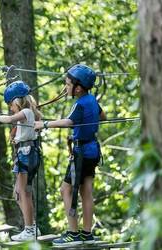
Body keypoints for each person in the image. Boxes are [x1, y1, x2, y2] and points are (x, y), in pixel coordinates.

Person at [34, 64, 106, 246]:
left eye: (67, 85)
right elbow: (103, 116)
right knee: (86, 191)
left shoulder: (80, 103)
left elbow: (68, 122)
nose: (65, 88)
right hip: (92, 151)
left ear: (78, 87)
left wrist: (44, 124)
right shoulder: (92, 100)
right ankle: (87, 233)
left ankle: (73, 233)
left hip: (81, 153)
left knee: (65, 189)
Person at [0, 81, 42, 241]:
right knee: (19, 193)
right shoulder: (28, 114)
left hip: (27, 154)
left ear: (17, 101)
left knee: (22, 192)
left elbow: (10, 118)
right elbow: (18, 124)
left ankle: (30, 229)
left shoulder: (25, 111)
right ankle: (31, 226)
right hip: (26, 154)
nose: (11, 107)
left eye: (11, 104)